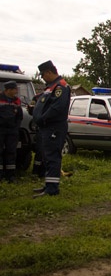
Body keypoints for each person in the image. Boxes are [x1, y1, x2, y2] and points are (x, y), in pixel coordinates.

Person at [32, 60, 70, 198]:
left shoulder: (61, 86)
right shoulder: (50, 87)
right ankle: (49, 184)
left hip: (54, 126)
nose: (42, 78)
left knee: (52, 157)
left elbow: (56, 107)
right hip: (46, 127)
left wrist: (42, 118)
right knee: (47, 157)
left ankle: (52, 189)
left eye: (42, 75)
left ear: (49, 72)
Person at [0, 81, 23, 183]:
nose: (16, 91)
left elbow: (19, 116)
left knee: (11, 152)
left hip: (12, 131)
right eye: (14, 89)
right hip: (1, 129)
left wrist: (15, 127)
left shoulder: (17, 101)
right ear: (8, 90)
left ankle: (11, 176)